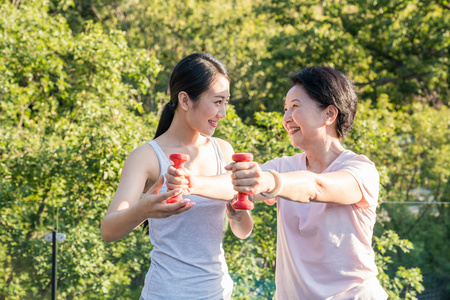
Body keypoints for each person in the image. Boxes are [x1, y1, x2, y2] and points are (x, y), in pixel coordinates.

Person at [100, 53, 253, 300]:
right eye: (217, 102)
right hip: (165, 293)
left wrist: (239, 215)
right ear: (185, 99)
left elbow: (243, 231)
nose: (223, 112)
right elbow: (108, 231)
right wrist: (142, 211)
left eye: (226, 102)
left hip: (219, 292)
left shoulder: (223, 150)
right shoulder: (146, 156)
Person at [226, 66, 388, 299]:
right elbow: (234, 185)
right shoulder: (283, 166)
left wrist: (269, 181)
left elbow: (315, 187)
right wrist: (187, 182)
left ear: (329, 114)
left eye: (295, 107)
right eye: (285, 109)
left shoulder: (360, 170)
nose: (286, 119)